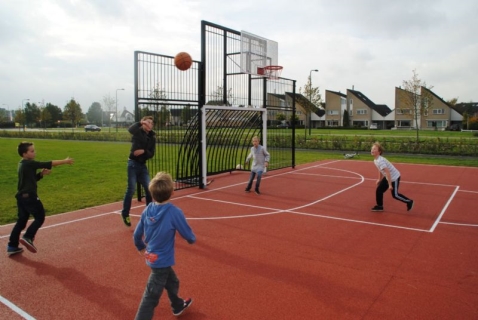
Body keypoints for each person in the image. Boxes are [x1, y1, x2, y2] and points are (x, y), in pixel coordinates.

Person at [133, 172, 196, 319]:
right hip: (161, 261)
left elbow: (136, 234)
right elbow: (187, 233)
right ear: (172, 192)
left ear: (152, 194)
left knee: (173, 281)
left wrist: (140, 245)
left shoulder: (147, 209)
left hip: (153, 256)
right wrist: (191, 239)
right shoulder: (174, 212)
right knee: (151, 295)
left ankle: (177, 305)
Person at [7, 141, 74, 256]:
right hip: (29, 197)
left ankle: (12, 246)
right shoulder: (29, 163)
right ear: (24, 154)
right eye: (32, 151)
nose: (34, 153)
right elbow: (50, 163)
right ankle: (28, 237)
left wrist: (41, 175)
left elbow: (31, 179)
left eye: (34, 150)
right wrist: (65, 161)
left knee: (21, 221)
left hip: (21, 196)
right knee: (40, 217)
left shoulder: (22, 164)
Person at [121, 116, 156, 227]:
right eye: (147, 122)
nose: (150, 124)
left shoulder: (152, 137)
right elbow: (130, 129)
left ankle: (149, 215)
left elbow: (151, 153)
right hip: (132, 164)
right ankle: (125, 214)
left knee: (149, 189)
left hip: (142, 166)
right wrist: (140, 122)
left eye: (151, 123)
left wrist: (143, 151)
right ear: (144, 123)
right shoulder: (137, 132)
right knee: (131, 189)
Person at [370, 142, 414, 212]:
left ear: (379, 152)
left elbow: (388, 172)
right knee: (379, 190)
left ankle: (409, 201)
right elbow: (380, 170)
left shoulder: (380, 161)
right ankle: (380, 206)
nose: (372, 150)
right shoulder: (376, 160)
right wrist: (379, 179)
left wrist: (390, 184)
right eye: (372, 148)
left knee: (395, 195)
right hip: (388, 177)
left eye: (375, 149)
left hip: (394, 177)